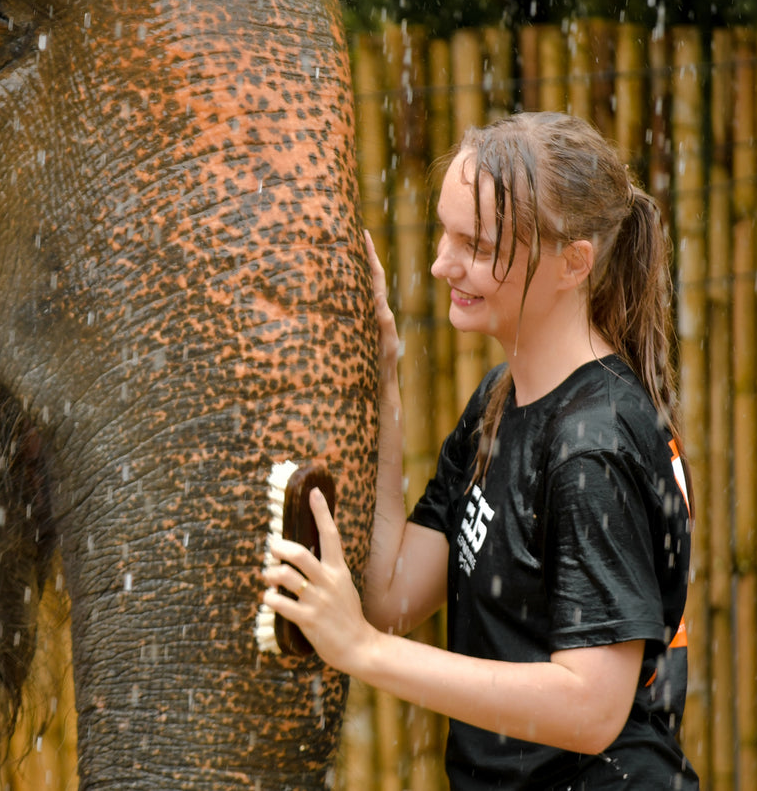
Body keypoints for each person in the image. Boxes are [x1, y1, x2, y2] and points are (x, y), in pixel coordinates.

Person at [262, 112, 698, 789]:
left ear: (573, 263)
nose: (441, 263)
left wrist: (363, 652)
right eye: (445, 232)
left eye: (476, 244)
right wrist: (382, 377)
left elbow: (592, 707)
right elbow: (392, 592)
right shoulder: (500, 401)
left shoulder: (592, 446)